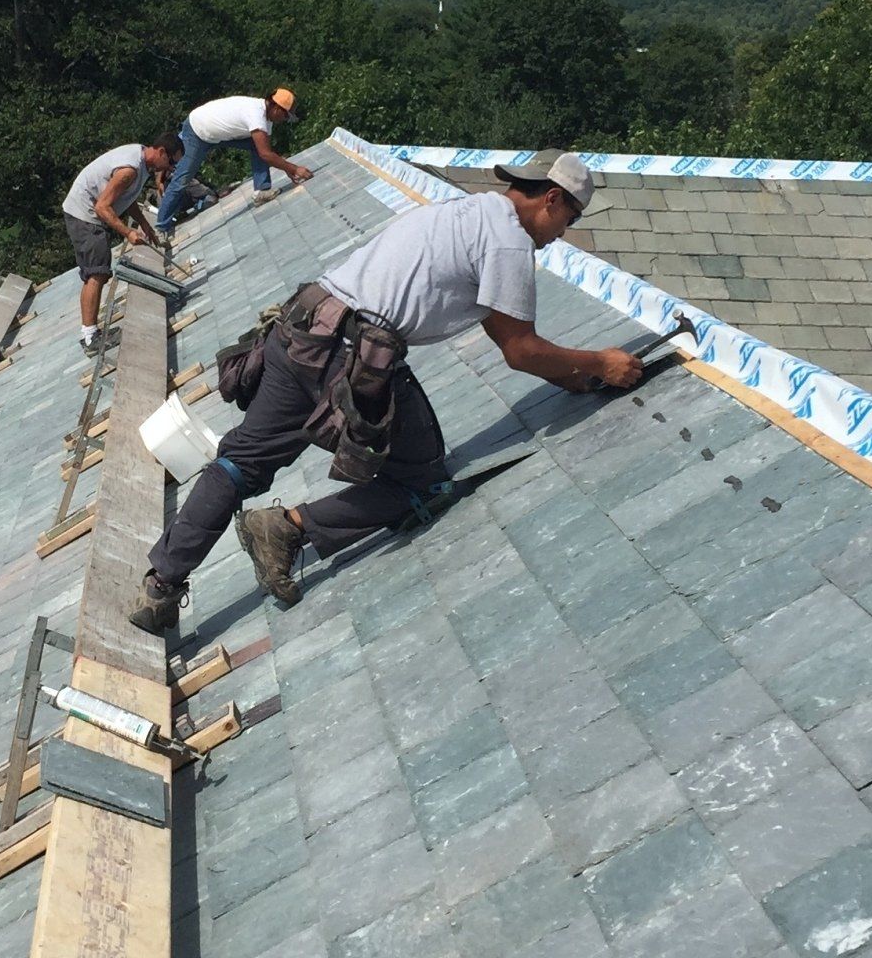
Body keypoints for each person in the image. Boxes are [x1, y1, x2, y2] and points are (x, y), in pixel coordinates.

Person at [131, 153, 645, 628]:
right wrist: (601, 362)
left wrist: (571, 378)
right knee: (423, 482)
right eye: (570, 220)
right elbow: (519, 349)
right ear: (552, 198)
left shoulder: (467, 211)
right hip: (352, 360)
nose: (564, 233)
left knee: (238, 463)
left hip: (302, 330)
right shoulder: (509, 242)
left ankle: (160, 587)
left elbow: (502, 328)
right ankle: (287, 527)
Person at [63, 133, 184, 350]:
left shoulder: (142, 161)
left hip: (88, 212)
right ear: (161, 152)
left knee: (96, 272)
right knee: (96, 272)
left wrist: (144, 224)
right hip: (85, 215)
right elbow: (102, 206)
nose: (171, 168)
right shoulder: (130, 169)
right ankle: (91, 337)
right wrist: (128, 232)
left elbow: (125, 198)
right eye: (171, 162)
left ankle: (91, 333)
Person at [152, 88, 311, 237]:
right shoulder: (255, 114)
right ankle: (161, 226)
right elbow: (266, 154)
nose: (284, 120)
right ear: (277, 108)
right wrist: (295, 168)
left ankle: (262, 190)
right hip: (197, 131)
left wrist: (288, 169)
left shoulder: (265, 119)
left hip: (215, 134)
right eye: (285, 116)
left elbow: (264, 151)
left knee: (255, 145)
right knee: (183, 178)